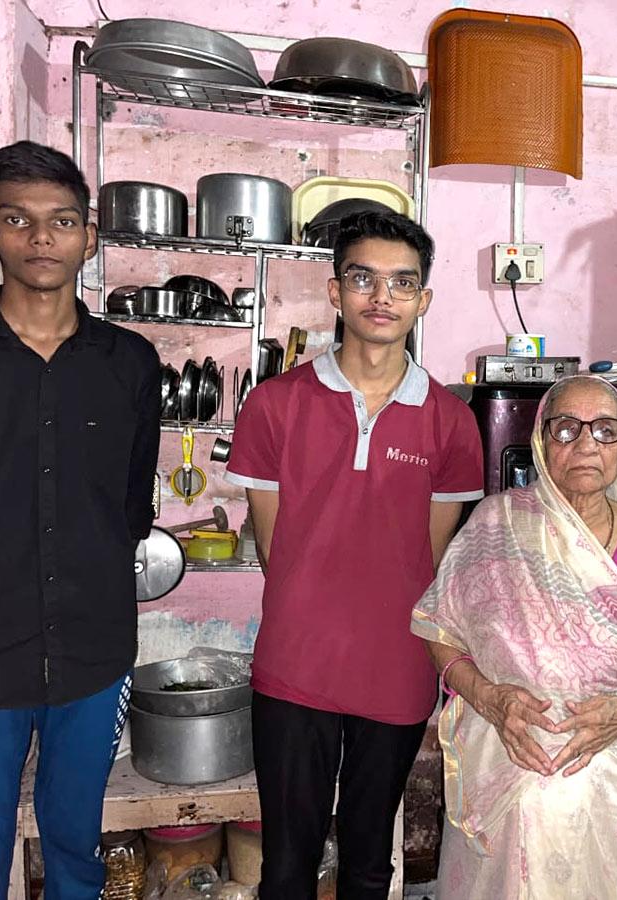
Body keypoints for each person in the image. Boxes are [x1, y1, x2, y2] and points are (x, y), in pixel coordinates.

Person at [0, 141, 161, 896]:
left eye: (63, 220)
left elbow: (128, 505)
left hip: (92, 651)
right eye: (18, 219)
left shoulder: (130, 363)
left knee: (75, 848)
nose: (42, 237)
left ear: (89, 236)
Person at [225, 211, 484, 899]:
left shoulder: (452, 422)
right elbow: (275, 548)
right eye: (363, 278)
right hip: (294, 664)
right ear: (335, 292)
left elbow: (427, 557)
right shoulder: (274, 406)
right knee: (288, 863)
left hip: (397, 663)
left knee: (370, 862)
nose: (382, 296)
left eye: (403, 282)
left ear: (423, 300)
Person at [413, 375, 617, 899]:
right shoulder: (496, 525)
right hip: (511, 768)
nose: (586, 444)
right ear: (541, 442)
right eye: (567, 428)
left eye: (605, 430)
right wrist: (489, 698)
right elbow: (441, 630)